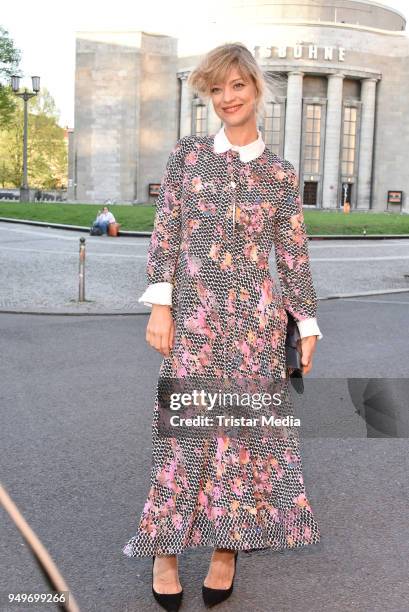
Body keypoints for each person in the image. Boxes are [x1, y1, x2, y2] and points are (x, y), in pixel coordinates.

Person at [122, 42, 323, 611]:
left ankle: (225, 551)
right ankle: (165, 550)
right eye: (216, 89)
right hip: (195, 325)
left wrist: (307, 324)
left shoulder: (281, 174)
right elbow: (166, 232)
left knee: (241, 444)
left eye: (237, 86)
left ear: (257, 89)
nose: (227, 98)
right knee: (184, 440)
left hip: (257, 332)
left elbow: (293, 255)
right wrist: (160, 304)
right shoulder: (187, 157)